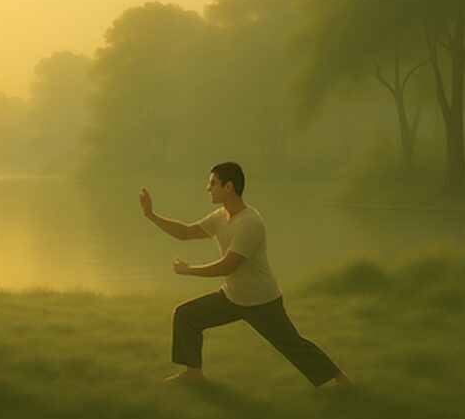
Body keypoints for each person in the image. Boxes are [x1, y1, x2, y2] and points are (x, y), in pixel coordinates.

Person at [139, 161, 351, 388]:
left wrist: (188, 270)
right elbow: (184, 232)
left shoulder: (250, 223)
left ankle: (341, 378)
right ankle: (193, 373)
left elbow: (227, 266)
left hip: (262, 301)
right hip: (232, 297)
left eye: (213, 183)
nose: (208, 188)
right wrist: (151, 215)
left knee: (291, 344)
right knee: (186, 315)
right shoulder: (221, 216)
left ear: (228, 187)